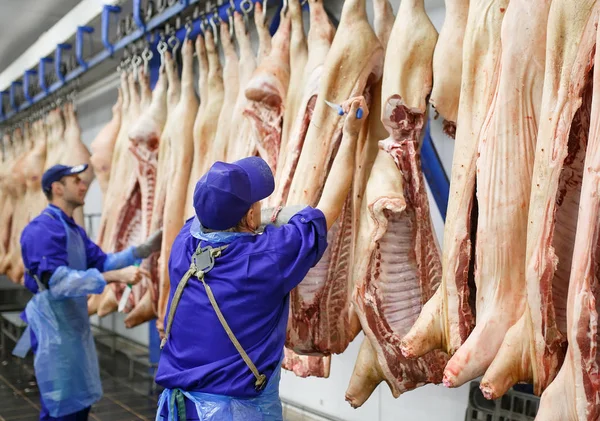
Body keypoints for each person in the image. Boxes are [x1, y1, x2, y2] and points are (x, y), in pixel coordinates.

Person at [154, 97, 368, 420]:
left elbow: (215, 225)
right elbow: (329, 209)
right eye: (255, 204)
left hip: (181, 409)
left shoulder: (184, 242)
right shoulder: (265, 259)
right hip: (231, 413)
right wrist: (351, 135)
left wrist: (261, 217)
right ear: (250, 217)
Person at [16, 163, 163, 421]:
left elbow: (102, 261)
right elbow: (59, 283)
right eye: (76, 181)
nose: (84, 185)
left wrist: (141, 251)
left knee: (78, 404)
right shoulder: (43, 229)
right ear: (57, 188)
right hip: (54, 330)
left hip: (72, 328)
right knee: (60, 406)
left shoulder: (71, 229)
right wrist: (115, 277)